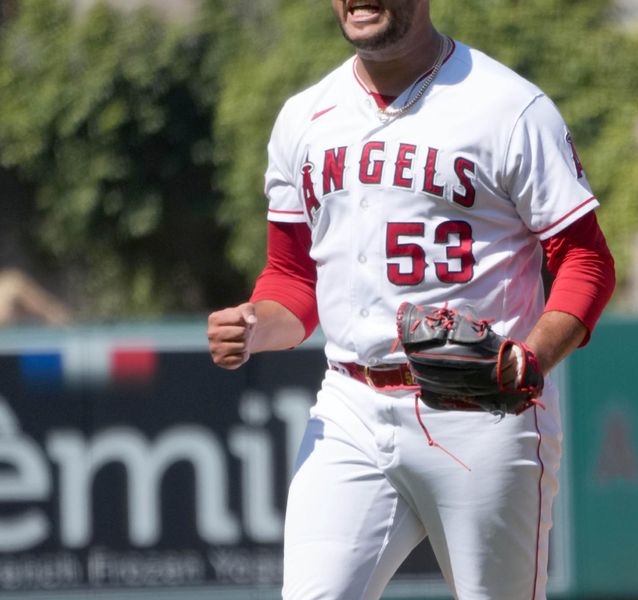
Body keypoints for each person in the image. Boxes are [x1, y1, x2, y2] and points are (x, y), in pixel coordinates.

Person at [207, 1, 616, 598]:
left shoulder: (508, 107)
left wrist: (532, 357)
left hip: (480, 408)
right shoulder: (304, 117)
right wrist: (253, 325)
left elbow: (586, 259)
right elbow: (293, 281)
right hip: (349, 407)